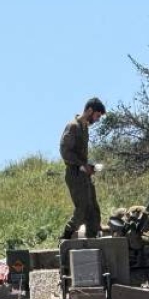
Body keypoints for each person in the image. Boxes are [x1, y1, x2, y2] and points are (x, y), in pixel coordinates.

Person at [59, 97, 106, 239]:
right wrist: (81, 165)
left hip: (84, 175)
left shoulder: (85, 128)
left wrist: (89, 166)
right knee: (83, 208)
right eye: (97, 116)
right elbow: (65, 151)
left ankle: (92, 240)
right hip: (74, 175)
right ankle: (66, 237)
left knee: (93, 209)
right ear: (90, 110)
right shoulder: (73, 126)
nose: (97, 120)